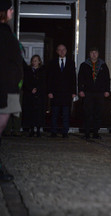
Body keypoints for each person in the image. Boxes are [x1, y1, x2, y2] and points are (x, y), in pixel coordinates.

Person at [0, 0, 23, 181]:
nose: (12, 12)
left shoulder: (8, 35)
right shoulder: (7, 36)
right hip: (5, 89)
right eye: (10, 9)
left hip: (8, 88)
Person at [78, 47, 110, 140]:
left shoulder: (103, 65)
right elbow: (80, 79)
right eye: (92, 52)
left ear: (98, 54)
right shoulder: (84, 65)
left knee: (98, 113)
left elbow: (107, 79)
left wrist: (107, 90)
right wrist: (80, 90)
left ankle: (96, 132)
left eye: (95, 52)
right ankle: (87, 133)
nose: (94, 54)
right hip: (88, 93)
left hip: (99, 93)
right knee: (88, 113)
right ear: (89, 54)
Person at [47, 44, 77, 138]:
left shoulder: (71, 63)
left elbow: (73, 78)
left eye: (63, 50)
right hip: (55, 92)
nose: (62, 51)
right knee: (55, 113)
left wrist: (73, 92)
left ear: (66, 51)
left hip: (67, 93)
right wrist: (49, 91)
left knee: (65, 114)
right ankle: (53, 131)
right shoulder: (52, 62)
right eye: (59, 50)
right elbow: (49, 78)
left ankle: (65, 131)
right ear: (57, 51)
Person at [22, 55, 47, 137]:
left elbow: (44, 82)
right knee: (31, 112)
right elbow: (25, 81)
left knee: (39, 113)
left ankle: (38, 129)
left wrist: (38, 89)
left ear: (39, 61)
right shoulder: (28, 70)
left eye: (36, 60)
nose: (34, 62)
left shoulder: (43, 70)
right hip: (30, 95)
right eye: (33, 60)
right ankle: (31, 129)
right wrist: (30, 89)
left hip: (40, 95)